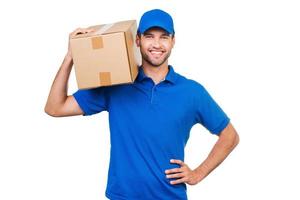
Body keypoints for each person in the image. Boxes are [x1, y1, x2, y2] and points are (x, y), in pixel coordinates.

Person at [45, 9, 239, 200]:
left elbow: (230, 136)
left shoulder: (192, 92)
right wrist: (70, 57)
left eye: (164, 37)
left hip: (170, 196)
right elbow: (55, 107)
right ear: (137, 40)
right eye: (149, 36)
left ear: (173, 41)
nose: (157, 44)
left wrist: (198, 173)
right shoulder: (116, 85)